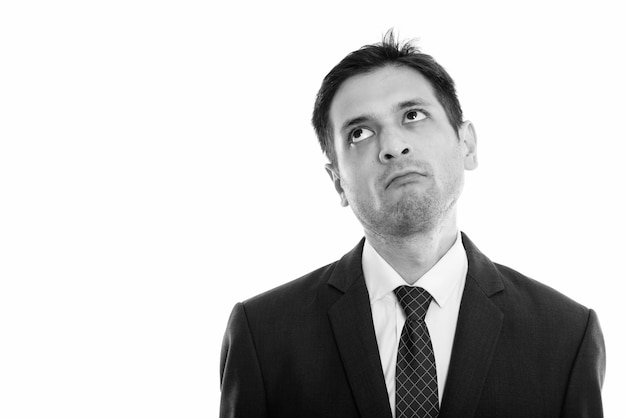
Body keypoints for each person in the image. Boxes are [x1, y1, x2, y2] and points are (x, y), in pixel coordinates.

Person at [219, 31, 606, 418]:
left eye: (413, 115)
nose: (393, 145)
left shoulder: (566, 335)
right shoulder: (263, 336)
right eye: (360, 133)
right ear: (337, 180)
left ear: (466, 144)